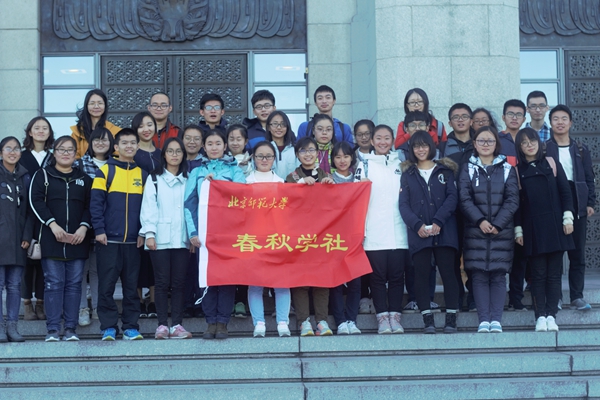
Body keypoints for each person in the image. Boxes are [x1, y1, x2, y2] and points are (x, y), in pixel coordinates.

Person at [184, 129, 246, 340]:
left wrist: (219, 185)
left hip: (228, 234)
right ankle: (210, 322)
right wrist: (193, 232)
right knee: (207, 278)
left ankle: (223, 322)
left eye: (218, 143)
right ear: (204, 147)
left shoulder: (235, 170)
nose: (214, 147)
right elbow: (189, 203)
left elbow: (241, 198)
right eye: (209, 144)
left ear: (225, 146)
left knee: (226, 279)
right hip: (204, 235)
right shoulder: (196, 172)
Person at [29, 136, 93, 341]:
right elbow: (35, 201)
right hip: (51, 239)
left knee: (74, 284)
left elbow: (91, 206)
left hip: (77, 240)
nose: (65, 153)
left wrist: (84, 227)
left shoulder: (84, 179)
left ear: (76, 154)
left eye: (70, 150)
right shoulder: (42, 175)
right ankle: (53, 329)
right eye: (61, 149)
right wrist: (52, 224)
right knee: (54, 283)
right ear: (54, 152)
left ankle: (71, 329)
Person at [459, 126, 519, 334]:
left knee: (498, 276)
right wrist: (480, 221)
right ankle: (484, 320)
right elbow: (464, 199)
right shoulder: (467, 168)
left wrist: (498, 223)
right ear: (474, 144)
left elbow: (512, 199)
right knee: (478, 276)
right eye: (481, 141)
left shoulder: (507, 168)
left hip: (501, 231)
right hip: (475, 230)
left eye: (490, 141)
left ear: (496, 144)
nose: (486, 144)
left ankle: (496, 320)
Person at [514, 128, 575, 332]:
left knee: (554, 275)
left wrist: (568, 218)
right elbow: (517, 204)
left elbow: (565, 193)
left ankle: (551, 315)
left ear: (539, 143)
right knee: (538, 275)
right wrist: (518, 230)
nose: (529, 145)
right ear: (520, 147)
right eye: (524, 143)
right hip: (533, 228)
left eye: (532, 140)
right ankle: (540, 316)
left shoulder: (551, 163)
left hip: (556, 225)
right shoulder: (517, 171)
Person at [399, 131, 460, 334]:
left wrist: (438, 221)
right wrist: (417, 225)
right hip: (420, 234)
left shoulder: (445, 171)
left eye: (424, 145)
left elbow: (452, 198)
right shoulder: (408, 175)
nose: (421, 149)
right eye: (416, 146)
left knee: (449, 274)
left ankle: (451, 319)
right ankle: (428, 321)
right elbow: (403, 205)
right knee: (421, 276)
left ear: (431, 147)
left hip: (444, 231)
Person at [90, 128, 147, 341]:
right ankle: (108, 327)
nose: (129, 146)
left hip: (134, 241)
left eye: (132, 143)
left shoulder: (143, 174)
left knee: (132, 288)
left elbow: (148, 208)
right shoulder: (105, 171)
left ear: (138, 146)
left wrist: (143, 231)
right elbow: (96, 203)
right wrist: (99, 230)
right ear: (116, 147)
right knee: (106, 287)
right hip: (108, 240)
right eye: (124, 143)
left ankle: (131, 327)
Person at [354, 124, 408, 335]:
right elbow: (356, 197)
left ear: (392, 140)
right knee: (377, 278)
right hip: (374, 231)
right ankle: (382, 318)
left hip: (399, 230)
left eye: (387, 138)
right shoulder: (364, 165)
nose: (382, 142)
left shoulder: (401, 163)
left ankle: (395, 316)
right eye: (378, 138)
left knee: (397, 277)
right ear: (372, 140)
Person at [140, 137, 192, 339]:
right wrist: (149, 234)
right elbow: (149, 207)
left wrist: (192, 236)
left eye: (178, 151)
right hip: (159, 238)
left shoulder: (189, 178)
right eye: (170, 151)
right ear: (164, 155)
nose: (174, 155)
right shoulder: (154, 178)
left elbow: (192, 208)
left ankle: (177, 325)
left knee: (179, 283)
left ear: (183, 155)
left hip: (182, 238)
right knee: (161, 282)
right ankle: (162, 325)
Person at [546, 105, 596, 311]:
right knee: (555, 254)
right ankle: (555, 297)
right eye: (556, 118)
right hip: (553, 204)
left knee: (577, 254)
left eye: (564, 118)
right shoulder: (544, 149)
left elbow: (589, 177)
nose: (560, 122)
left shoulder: (581, 149)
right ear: (550, 123)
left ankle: (577, 296)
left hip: (577, 203)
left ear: (570, 123)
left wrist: (590, 202)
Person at [286, 137, 334, 336]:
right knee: (301, 280)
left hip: (322, 236)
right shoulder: (291, 177)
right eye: (303, 151)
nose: (308, 154)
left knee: (322, 279)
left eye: (311, 150)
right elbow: (285, 202)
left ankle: (322, 321)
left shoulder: (326, 175)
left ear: (318, 153)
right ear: (297, 154)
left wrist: (330, 186)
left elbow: (336, 204)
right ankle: (303, 321)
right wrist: (299, 185)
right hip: (299, 236)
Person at [245, 141, 291, 337]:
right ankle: (259, 323)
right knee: (255, 283)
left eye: (269, 156)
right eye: (260, 156)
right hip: (253, 238)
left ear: (274, 159)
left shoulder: (282, 184)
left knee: (281, 282)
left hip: (277, 238)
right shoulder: (244, 183)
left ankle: (282, 322)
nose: (264, 160)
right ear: (253, 158)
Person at [397, 111, 439, 314]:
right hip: (410, 218)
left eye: (420, 124)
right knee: (412, 261)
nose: (416, 128)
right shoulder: (399, 155)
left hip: (432, 218)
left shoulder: (437, 158)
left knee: (430, 261)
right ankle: (413, 297)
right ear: (405, 129)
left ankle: (429, 298)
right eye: (412, 125)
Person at [76, 127, 114, 326]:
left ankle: (100, 308)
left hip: (107, 225)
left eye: (104, 139)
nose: (100, 143)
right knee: (81, 269)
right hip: (82, 224)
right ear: (90, 143)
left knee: (99, 269)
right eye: (96, 140)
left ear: (111, 143)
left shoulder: (116, 165)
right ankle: (82, 308)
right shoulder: (79, 164)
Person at [439, 104, 475, 311]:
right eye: (456, 117)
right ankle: (457, 297)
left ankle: (474, 297)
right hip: (451, 210)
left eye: (464, 116)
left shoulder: (480, 142)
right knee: (452, 255)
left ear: (471, 120)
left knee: (474, 253)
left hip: (476, 209)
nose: (460, 120)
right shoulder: (443, 147)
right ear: (450, 122)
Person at [19, 117, 54, 321]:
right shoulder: (21, 156)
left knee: (44, 260)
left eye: (45, 128)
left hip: (48, 214)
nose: (41, 131)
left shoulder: (54, 157)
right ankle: (27, 303)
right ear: (30, 132)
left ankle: (41, 303)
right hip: (24, 213)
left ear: (49, 133)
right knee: (25, 260)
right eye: (37, 128)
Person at [0, 137, 33, 342]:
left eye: (16, 149)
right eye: (8, 148)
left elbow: (30, 210)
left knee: (14, 286)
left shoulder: (25, 177)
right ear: (1, 152)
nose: (13, 152)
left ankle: (12, 327)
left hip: (19, 241)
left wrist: (27, 235)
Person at [328, 141, 362, 334]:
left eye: (346, 156)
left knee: (355, 281)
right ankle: (340, 321)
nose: (342, 160)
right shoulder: (328, 180)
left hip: (355, 235)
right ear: (333, 160)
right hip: (333, 238)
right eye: (338, 157)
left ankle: (351, 319)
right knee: (336, 280)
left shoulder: (359, 180)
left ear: (352, 158)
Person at [131, 111, 161, 319]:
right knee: (136, 258)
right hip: (134, 210)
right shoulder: (131, 153)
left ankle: (154, 301)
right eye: (141, 126)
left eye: (149, 124)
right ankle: (138, 300)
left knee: (154, 257)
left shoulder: (161, 154)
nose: (146, 129)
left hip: (158, 211)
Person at [71, 89, 121, 159]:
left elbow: (119, 154)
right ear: (86, 106)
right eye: (92, 103)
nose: (96, 106)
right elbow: (74, 155)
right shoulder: (77, 132)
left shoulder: (115, 131)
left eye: (100, 103)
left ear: (105, 106)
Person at [265, 111, 298, 180]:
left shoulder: (295, 150)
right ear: (268, 127)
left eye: (283, 124)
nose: (279, 127)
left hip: (291, 186)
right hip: (269, 186)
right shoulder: (263, 149)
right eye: (275, 124)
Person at [498, 99, 527, 167]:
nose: (514, 118)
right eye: (510, 114)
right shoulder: (496, 139)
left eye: (519, 115)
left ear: (524, 119)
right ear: (503, 117)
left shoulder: (528, 140)